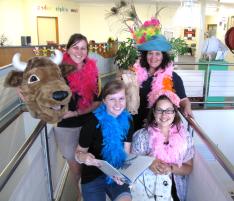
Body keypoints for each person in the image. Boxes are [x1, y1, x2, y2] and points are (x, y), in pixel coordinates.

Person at [53, 33, 100, 201]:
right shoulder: (57, 70)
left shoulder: (92, 69)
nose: (79, 52)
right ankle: (80, 195)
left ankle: (86, 195)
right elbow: (38, 83)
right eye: (75, 47)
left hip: (89, 124)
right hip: (66, 128)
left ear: (87, 51)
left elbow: (96, 102)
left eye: (83, 48)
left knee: (88, 165)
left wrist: (75, 112)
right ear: (68, 49)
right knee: (75, 169)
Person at [75, 80, 133, 201]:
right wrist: (84, 158)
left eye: (121, 98)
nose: (118, 104)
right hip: (92, 176)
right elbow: (78, 154)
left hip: (116, 175)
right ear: (104, 101)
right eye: (112, 99)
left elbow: (126, 154)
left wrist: (122, 175)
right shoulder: (92, 123)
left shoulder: (128, 121)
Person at [131, 91, 194, 201]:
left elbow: (188, 168)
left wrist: (170, 168)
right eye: (160, 110)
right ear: (154, 113)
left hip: (174, 191)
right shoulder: (141, 136)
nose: (164, 115)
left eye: (169, 110)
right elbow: (132, 165)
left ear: (174, 113)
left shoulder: (185, 137)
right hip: (147, 190)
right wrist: (149, 162)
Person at [130, 18, 192, 131]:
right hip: (136, 126)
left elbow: (183, 99)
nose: (153, 57)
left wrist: (187, 107)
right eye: (150, 53)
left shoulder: (173, 77)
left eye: (157, 54)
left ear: (163, 56)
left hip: (160, 129)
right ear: (145, 55)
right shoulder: (135, 74)